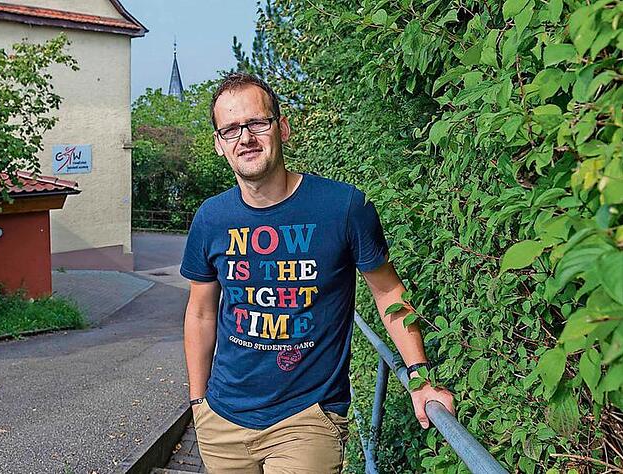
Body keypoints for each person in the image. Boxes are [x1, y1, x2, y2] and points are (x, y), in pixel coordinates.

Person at [180, 72, 455, 473]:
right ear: (219, 145)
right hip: (222, 420)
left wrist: (420, 378)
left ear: (282, 128)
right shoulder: (211, 218)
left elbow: (388, 293)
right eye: (231, 129)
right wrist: (197, 402)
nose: (246, 138)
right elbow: (201, 312)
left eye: (257, 123)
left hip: (307, 418)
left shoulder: (342, 206)